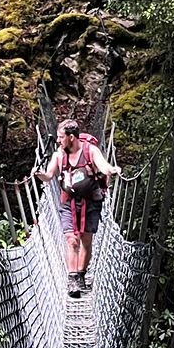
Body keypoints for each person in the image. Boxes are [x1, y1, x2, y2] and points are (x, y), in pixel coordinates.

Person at [37, 117, 118, 296]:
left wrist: (111, 170)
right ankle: (72, 279)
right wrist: (39, 174)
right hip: (68, 202)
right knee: (72, 239)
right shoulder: (59, 155)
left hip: (91, 202)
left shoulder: (90, 150)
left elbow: (103, 166)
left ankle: (81, 274)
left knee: (85, 240)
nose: (58, 141)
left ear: (71, 137)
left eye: (61, 137)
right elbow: (49, 175)